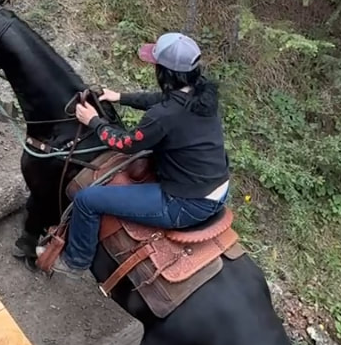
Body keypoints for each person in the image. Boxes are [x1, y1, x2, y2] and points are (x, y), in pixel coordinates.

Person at [47, 31, 230, 274]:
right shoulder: (202, 96)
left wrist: (94, 121)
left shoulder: (163, 116)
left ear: (165, 73)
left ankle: (76, 261)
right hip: (217, 189)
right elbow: (163, 99)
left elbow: (126, 143)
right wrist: (120, 97)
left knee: (87, 200)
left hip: (185, 203)